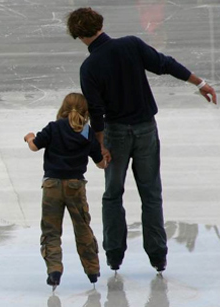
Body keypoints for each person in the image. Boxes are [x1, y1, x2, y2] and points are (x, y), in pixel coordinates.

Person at [66, 7, 217, 273]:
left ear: (79, 36)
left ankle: (114, 255)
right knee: (151, 194)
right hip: (146, 130)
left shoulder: (89, 67)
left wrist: (100, 146)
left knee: (113, 194)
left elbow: (97, 112)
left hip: (115, 135)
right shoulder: (131, 45)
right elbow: (165, 63)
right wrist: (199, 82)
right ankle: (158, 256)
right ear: (100, 23)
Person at [24, 93, 107, 288]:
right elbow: (101, 164)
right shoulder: (87, 133)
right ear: (85, 112)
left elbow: (35, 146)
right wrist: (106, 157)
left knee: (51, 231)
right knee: (82, 227)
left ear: (63, 108)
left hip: (52, 185)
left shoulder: (54, 127)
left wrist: (29, 137)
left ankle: (54, 270)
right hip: (75, 186)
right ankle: (92, 270)